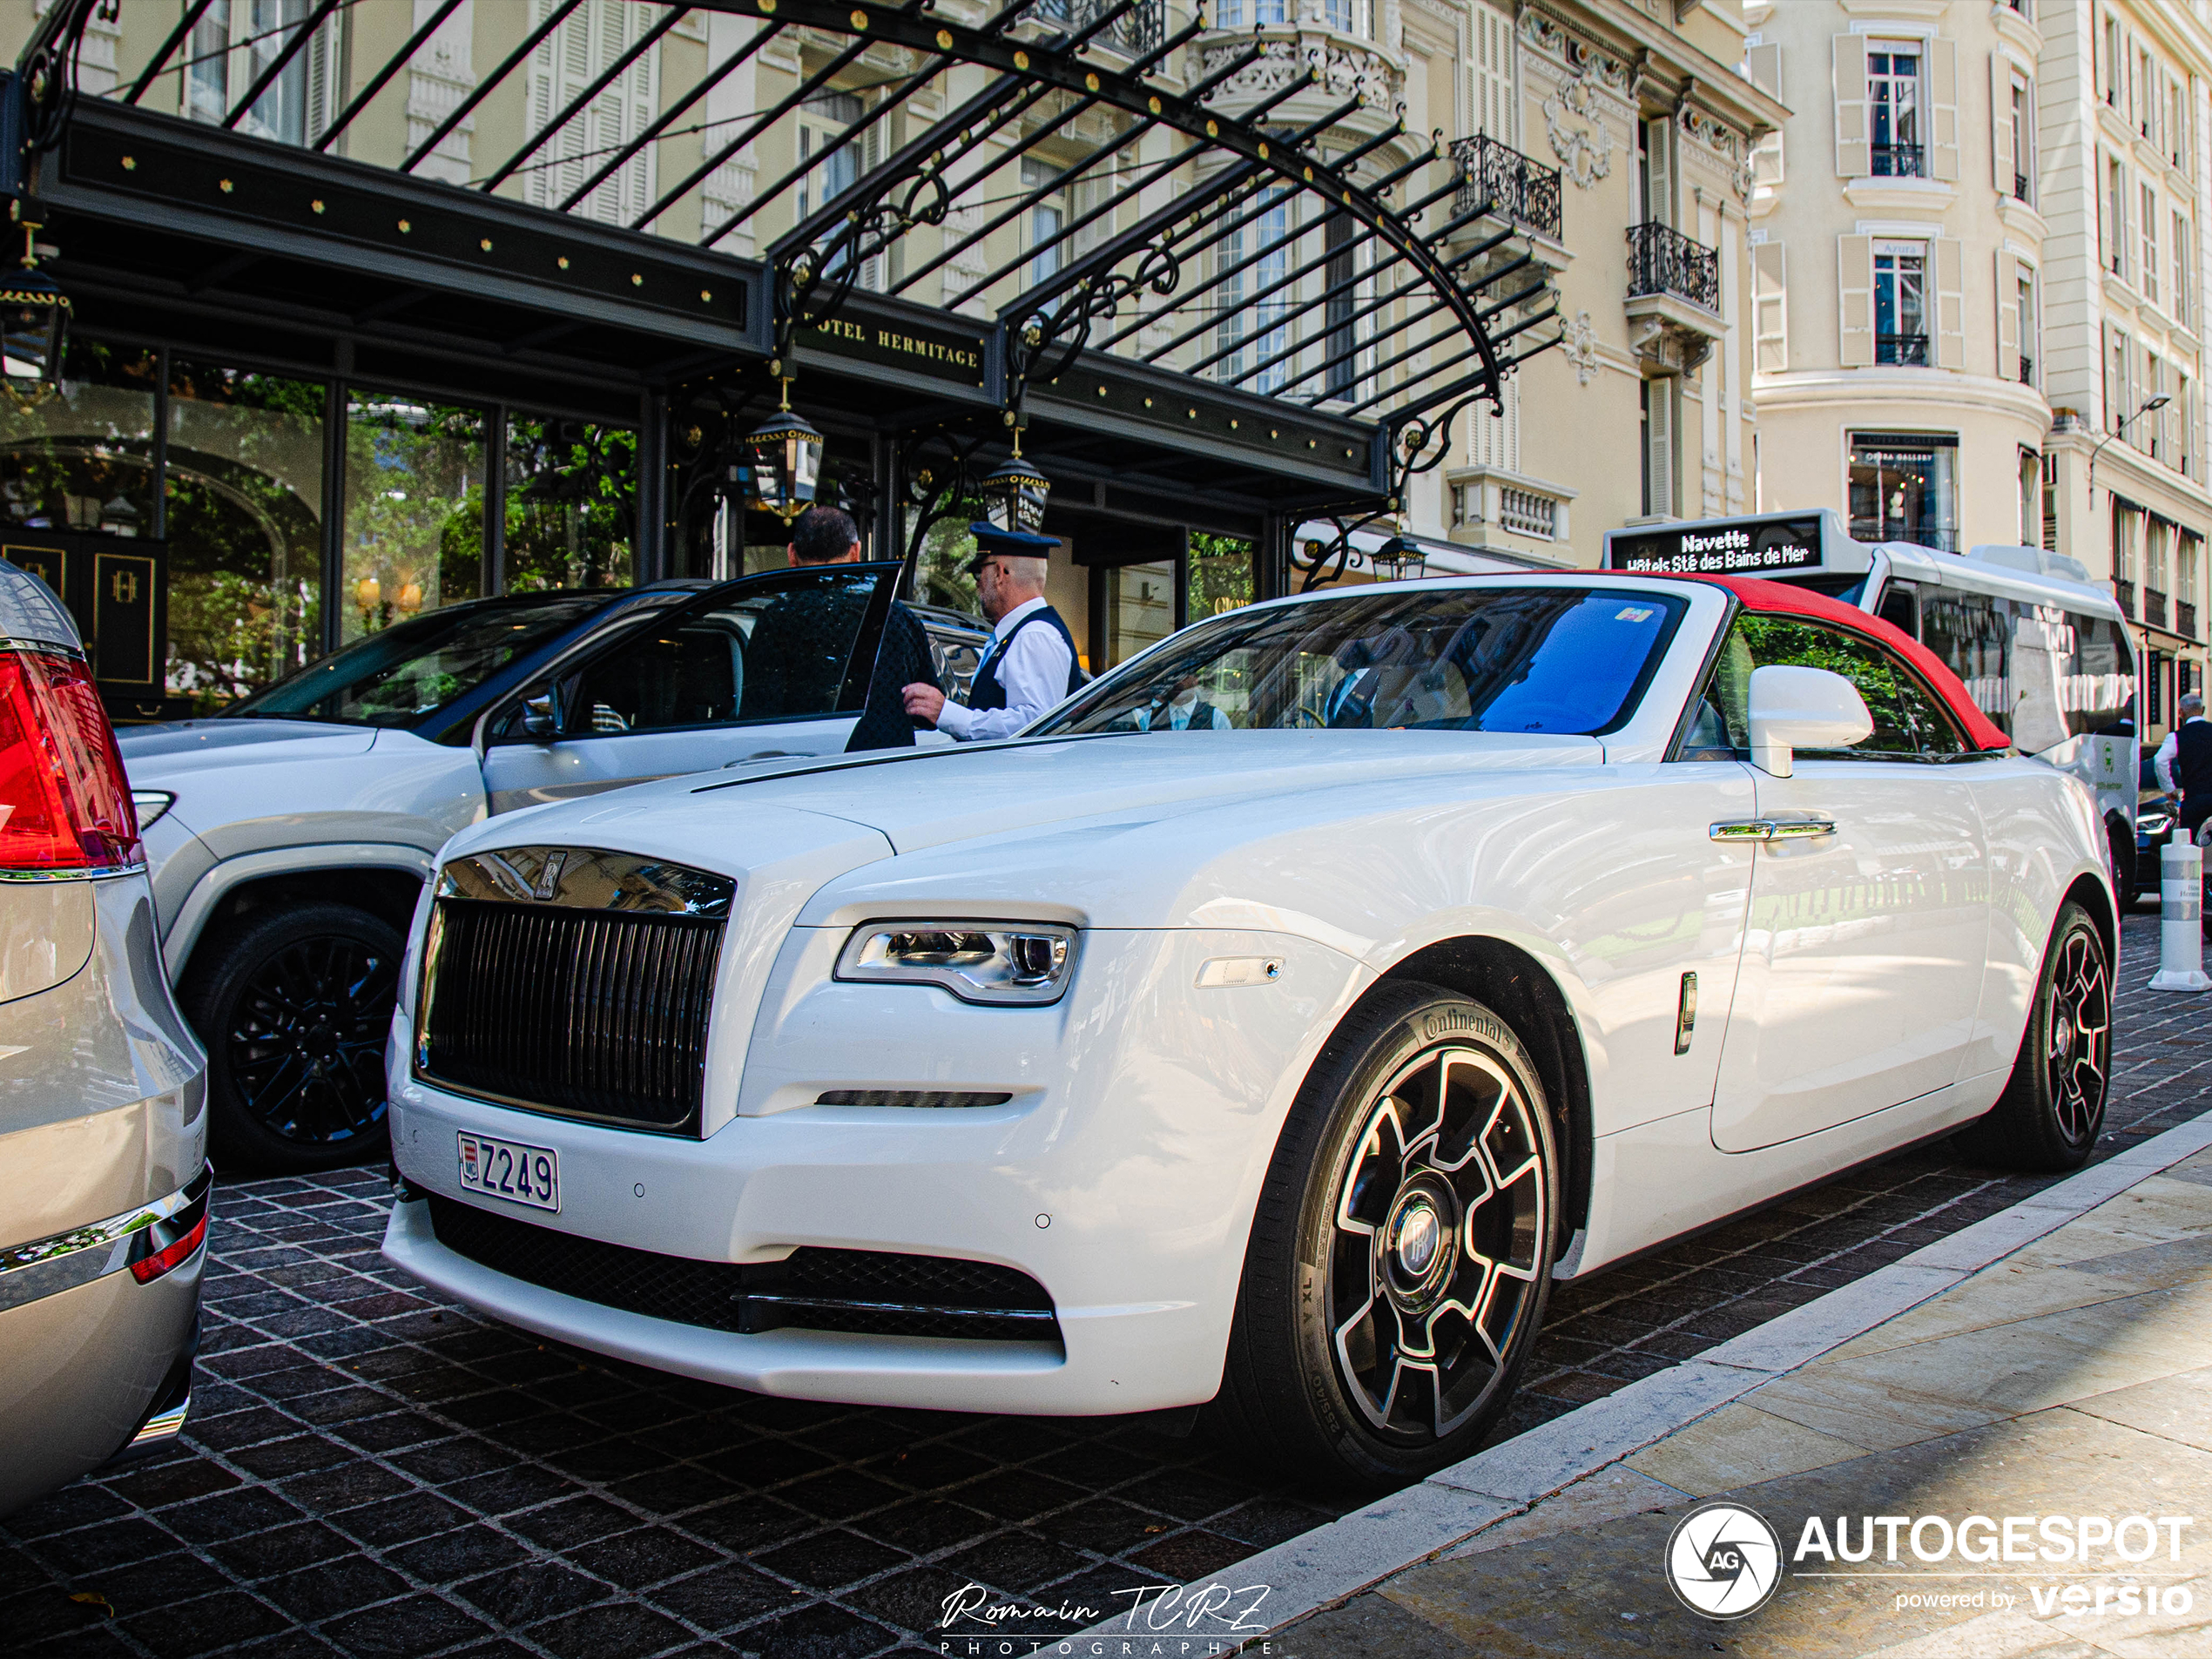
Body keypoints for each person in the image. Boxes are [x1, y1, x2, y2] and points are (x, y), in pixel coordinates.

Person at [903, 523, 1083, 741]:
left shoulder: (1034, 635)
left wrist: (945, 713)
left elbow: (1033, 726)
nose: (977, 584)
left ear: (999, 573)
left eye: (979, 573)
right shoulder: (1019, 634)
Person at [2155, 691, 2212, 838]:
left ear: (2180, 713)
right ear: (2203, 709)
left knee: (2192, 847)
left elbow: (2160, 760)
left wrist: (2169, 789)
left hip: (2194, 800)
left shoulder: (2176, 737)